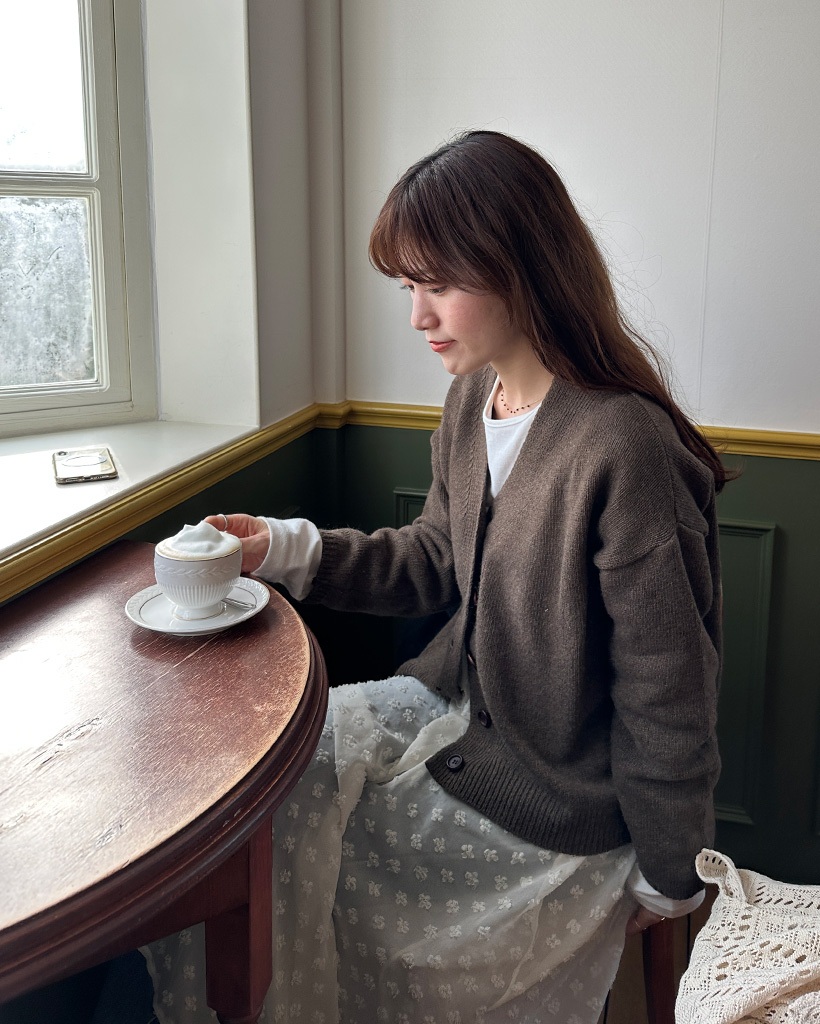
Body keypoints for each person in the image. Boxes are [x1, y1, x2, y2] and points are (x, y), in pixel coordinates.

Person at [143, 130, 726, 1024]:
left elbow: (668, 688)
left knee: (319, 870)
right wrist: (282, 549)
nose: (417, 317)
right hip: (451, 705)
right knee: (251, 801)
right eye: (407, 287)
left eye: (437, 284)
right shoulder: (470, 399)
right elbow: (433, 560)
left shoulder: (624, 446)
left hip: (557, 792)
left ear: (523, 268)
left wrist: (671, 871)